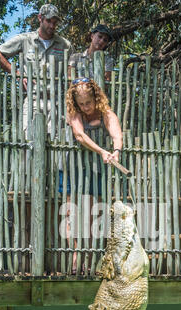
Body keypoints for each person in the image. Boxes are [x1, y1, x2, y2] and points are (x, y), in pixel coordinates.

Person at [63, 78, 123, 273]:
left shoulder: (105, 111)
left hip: (96, 169)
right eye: (81, 103)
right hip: (72, 165)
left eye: (88, 102)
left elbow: (116, 132)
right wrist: (101, 151)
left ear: (95, 97)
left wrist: (116, 150)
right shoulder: (74, 111)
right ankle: (74, 258)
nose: (85, 107)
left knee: (92, 213)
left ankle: (88, 258)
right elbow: (80, 136)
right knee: (70, 212)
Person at [0, 4, 74, 135]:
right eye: (48, 21)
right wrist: (17, 74)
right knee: (29, 144)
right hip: (33, 100)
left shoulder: (65, 45)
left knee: (54, 147)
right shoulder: (25, 39)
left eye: (55, 22)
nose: (52, 26)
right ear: (40, 18)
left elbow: (70, 75)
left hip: (57, 104)